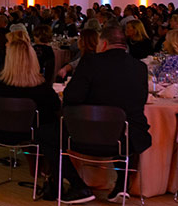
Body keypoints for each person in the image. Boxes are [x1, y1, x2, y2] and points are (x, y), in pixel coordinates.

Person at [0, 38, 95, 203]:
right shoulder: (38, 86)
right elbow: (55, 106)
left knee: (50, 132)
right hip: (30, 135)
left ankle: (61, 181)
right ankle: (64, 180)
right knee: (54, 131)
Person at [63, 25, 151, 202]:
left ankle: (78, 185)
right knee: (124, 126)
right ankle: (122, 184)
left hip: (87, 136)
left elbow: (71, 97)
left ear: (103, 44)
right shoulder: (140, 67)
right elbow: (141, 100)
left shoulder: (90, 62)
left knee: (46, 134)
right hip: (128, 138)